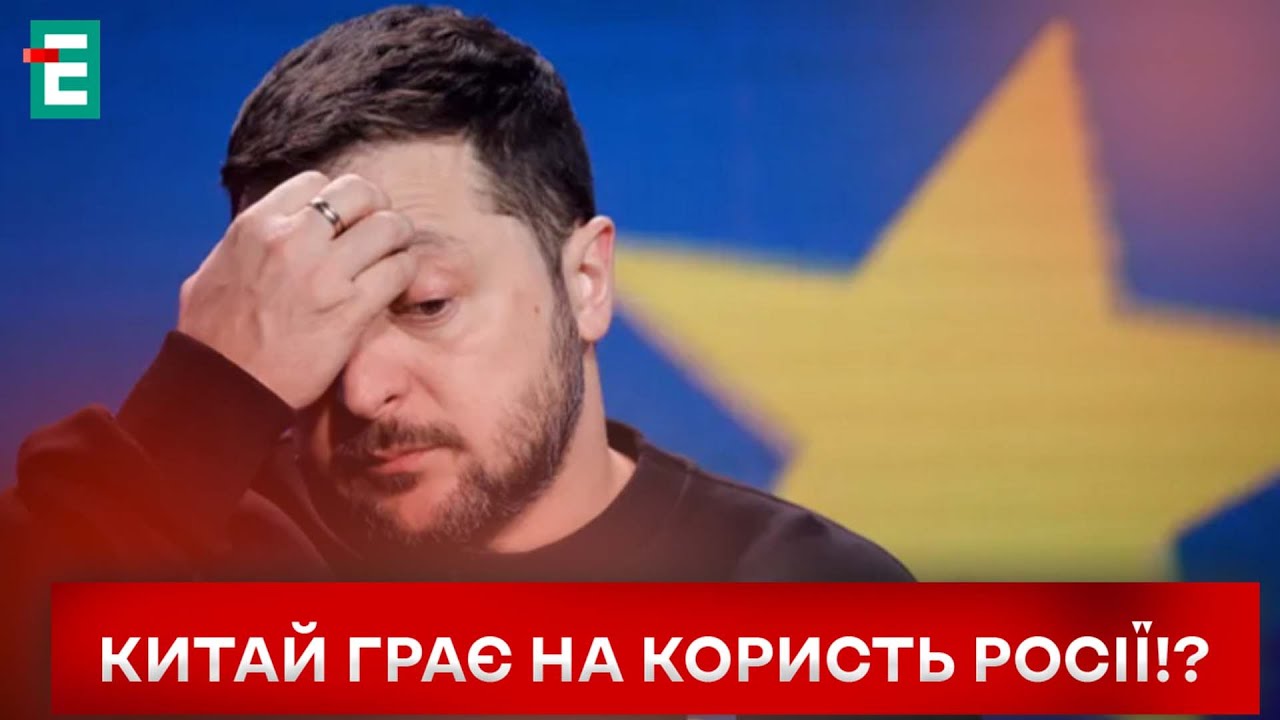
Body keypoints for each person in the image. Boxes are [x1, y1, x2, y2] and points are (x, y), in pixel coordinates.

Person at [0, 5, 915, 717]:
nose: (364, 388)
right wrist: (197, 404)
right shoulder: (188, 562)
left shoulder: (814, 610)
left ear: (587, 280)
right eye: (317, 319)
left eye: (427, 304)